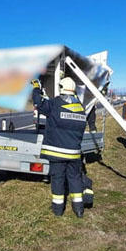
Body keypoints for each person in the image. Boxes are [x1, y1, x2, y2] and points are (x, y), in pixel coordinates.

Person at [32, 77, 88, 218]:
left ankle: (58, 210)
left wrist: (36, 88)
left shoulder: (55, 104)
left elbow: (39, 103)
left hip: (58, 153)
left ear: (61, 88)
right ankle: (79, 209)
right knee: (75, 179)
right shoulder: (80, 108)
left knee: (58, 179)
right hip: (75, 154)